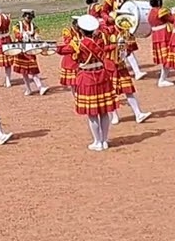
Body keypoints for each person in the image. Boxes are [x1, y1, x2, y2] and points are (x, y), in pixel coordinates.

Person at [71, 15, 116, 151]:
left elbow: (69, 54)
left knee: (92, 113)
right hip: (102, 76)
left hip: (87, 78)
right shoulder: (99, 41)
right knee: (103, 111)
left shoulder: (80, 44)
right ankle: (104, 140)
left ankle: (97, 141)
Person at [105, 19, 150, 125]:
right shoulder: (108, 32)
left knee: (128, 91)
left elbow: (129, 51)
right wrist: (116, 45)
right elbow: (102, 47)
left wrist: (126, 47)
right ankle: (114, 116)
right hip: (110, 66)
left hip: (121, 66)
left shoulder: (127, 34)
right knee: (111, 93)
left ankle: (138, 114)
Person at [11, 9, 49, 95]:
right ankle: (28, 89)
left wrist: (36, 37)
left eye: (31, 18)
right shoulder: (18, 25)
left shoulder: (33, 26)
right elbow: (16, 34)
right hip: (22, 50)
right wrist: (23, 35)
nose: (29, 19)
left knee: (33, 70)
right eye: (28, 17)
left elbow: (36, 33)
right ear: (24, 16)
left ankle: (40, 87)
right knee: (24, 72)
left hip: (30, 50)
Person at [146, 0, 175, 88]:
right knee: (167, 58)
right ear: (158, 1)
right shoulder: (161, 11)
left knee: (167, 58)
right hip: (164, 36)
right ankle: (162, 79)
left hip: (156, 36)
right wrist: (174, 13)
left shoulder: (150, 12)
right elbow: (172, 19)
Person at [55, 16, 81, 93]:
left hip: (79, 61)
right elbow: (66, 44)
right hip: (70, 61)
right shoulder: (68, 32)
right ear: (74, 24)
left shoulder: (82, 32)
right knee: (73, 84)